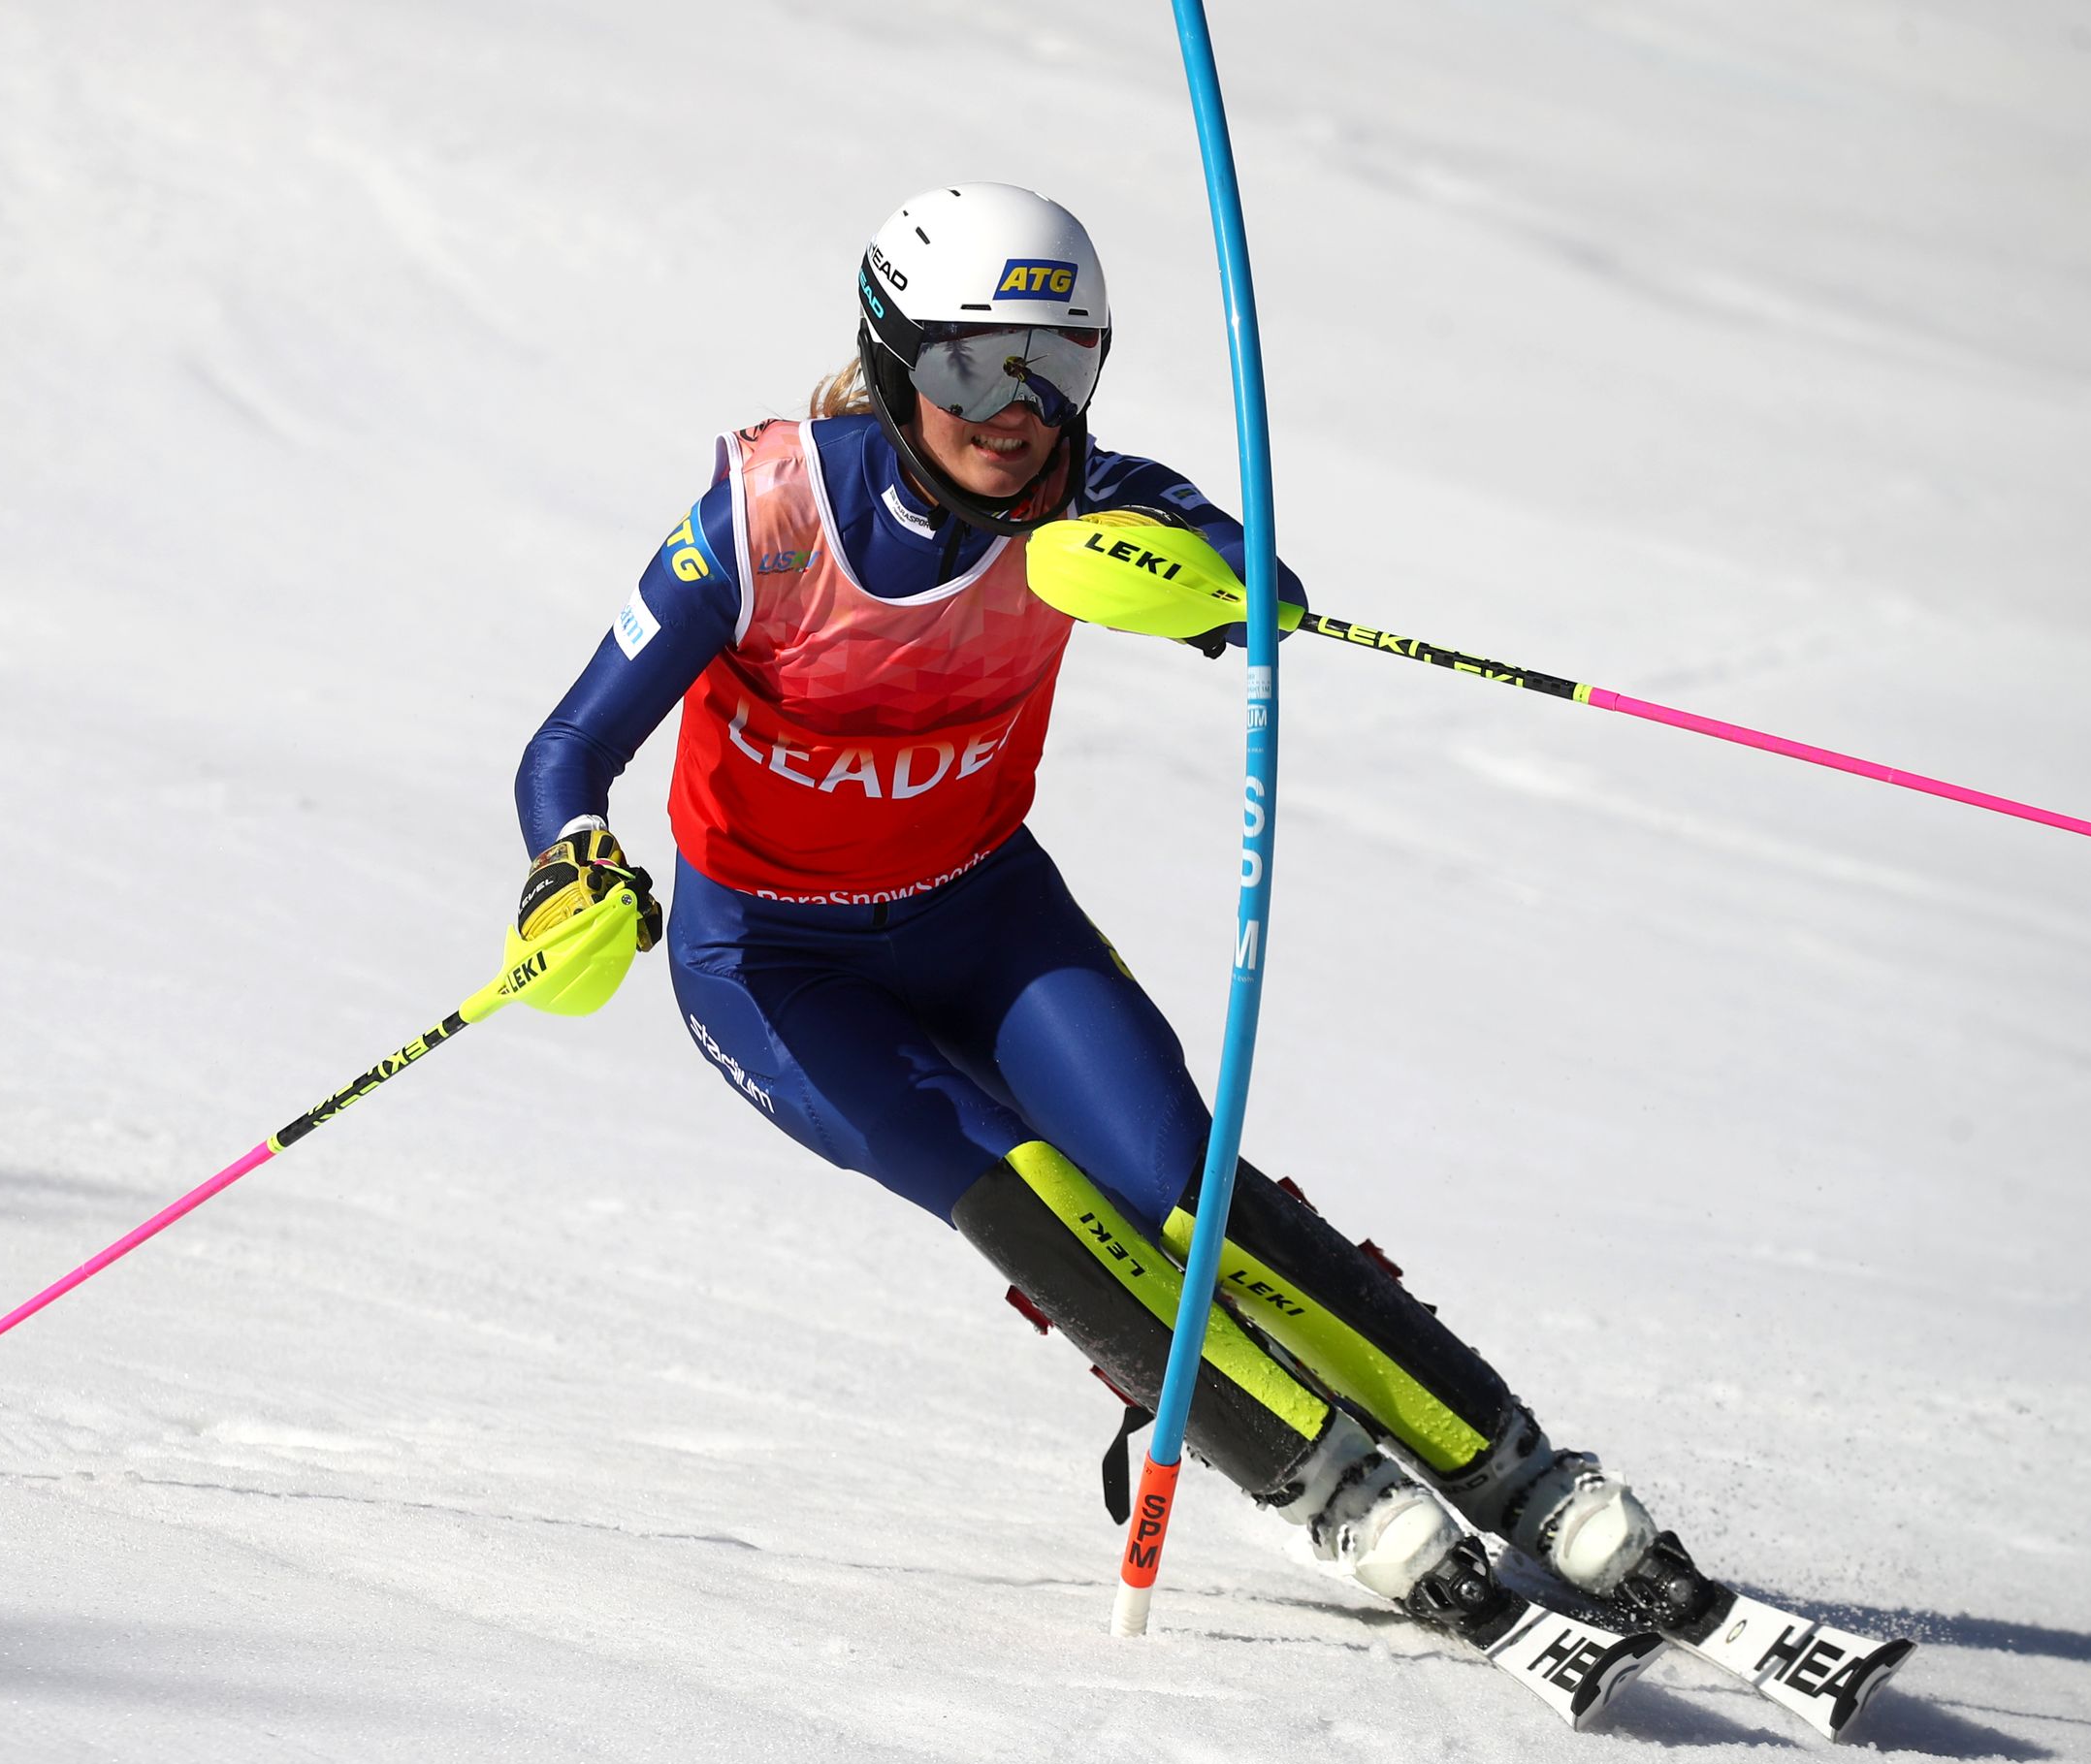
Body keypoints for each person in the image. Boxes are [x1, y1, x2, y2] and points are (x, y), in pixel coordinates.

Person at [505, 182, 1727, 1650]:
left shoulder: (1091, 504)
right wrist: (571, 859)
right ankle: (1325, 1481)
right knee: (1040, 1200)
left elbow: (1253, 582)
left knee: (1185, 1181)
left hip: (983, 914)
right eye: (972, 365)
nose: (1016, 411)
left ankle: (1521, 1472)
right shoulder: (768, 519)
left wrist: (1223, 594)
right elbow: (564, 751)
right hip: (773, 962)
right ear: (894, 360)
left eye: (1058, 366)